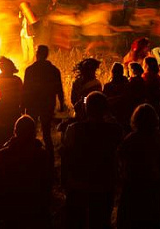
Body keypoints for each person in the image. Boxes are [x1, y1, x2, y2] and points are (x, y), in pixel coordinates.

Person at [63, 92, 124, 229]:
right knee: (101, 221)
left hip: (79, 183)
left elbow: (66, 155)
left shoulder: (73, 130)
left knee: (78, 221)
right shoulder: (115, 130)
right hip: (104, 183)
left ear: (86, 109)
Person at [0, 115, 52, 228]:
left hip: (10, 211)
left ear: (15, 132)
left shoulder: (1, 156)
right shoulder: (42, 155)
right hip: (34, 212)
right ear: (34, 132)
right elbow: (46, 187)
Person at [117, 104, 160, 229]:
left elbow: (121, 160)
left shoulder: (130, 140)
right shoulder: (159, 138)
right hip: (153, 186)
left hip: (133, 186)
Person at [22, 45, 65, 157]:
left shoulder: (30, 70)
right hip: (47, 105)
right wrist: (61, 103)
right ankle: (49, 158)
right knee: (46, 133)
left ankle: (31, 156)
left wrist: (23, 105)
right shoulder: (54, 70)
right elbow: (59, 89)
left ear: (37, 55)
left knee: (31, 131)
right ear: (47, 55)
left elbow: (25, 89)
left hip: (33, 105)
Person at [0, 56, 23, 155]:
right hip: (12, 107)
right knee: (10, 129)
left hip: (3, 107)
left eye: (2, 66)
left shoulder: (0, 78)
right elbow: (21, 95)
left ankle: (0, 151)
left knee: (0, 130)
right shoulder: (16, 79)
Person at [104, 62, 132, 130]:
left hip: (113, 116)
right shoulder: (127, 85)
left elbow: (104, 101)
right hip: (125, 116)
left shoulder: (108, 86)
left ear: (112, 72)